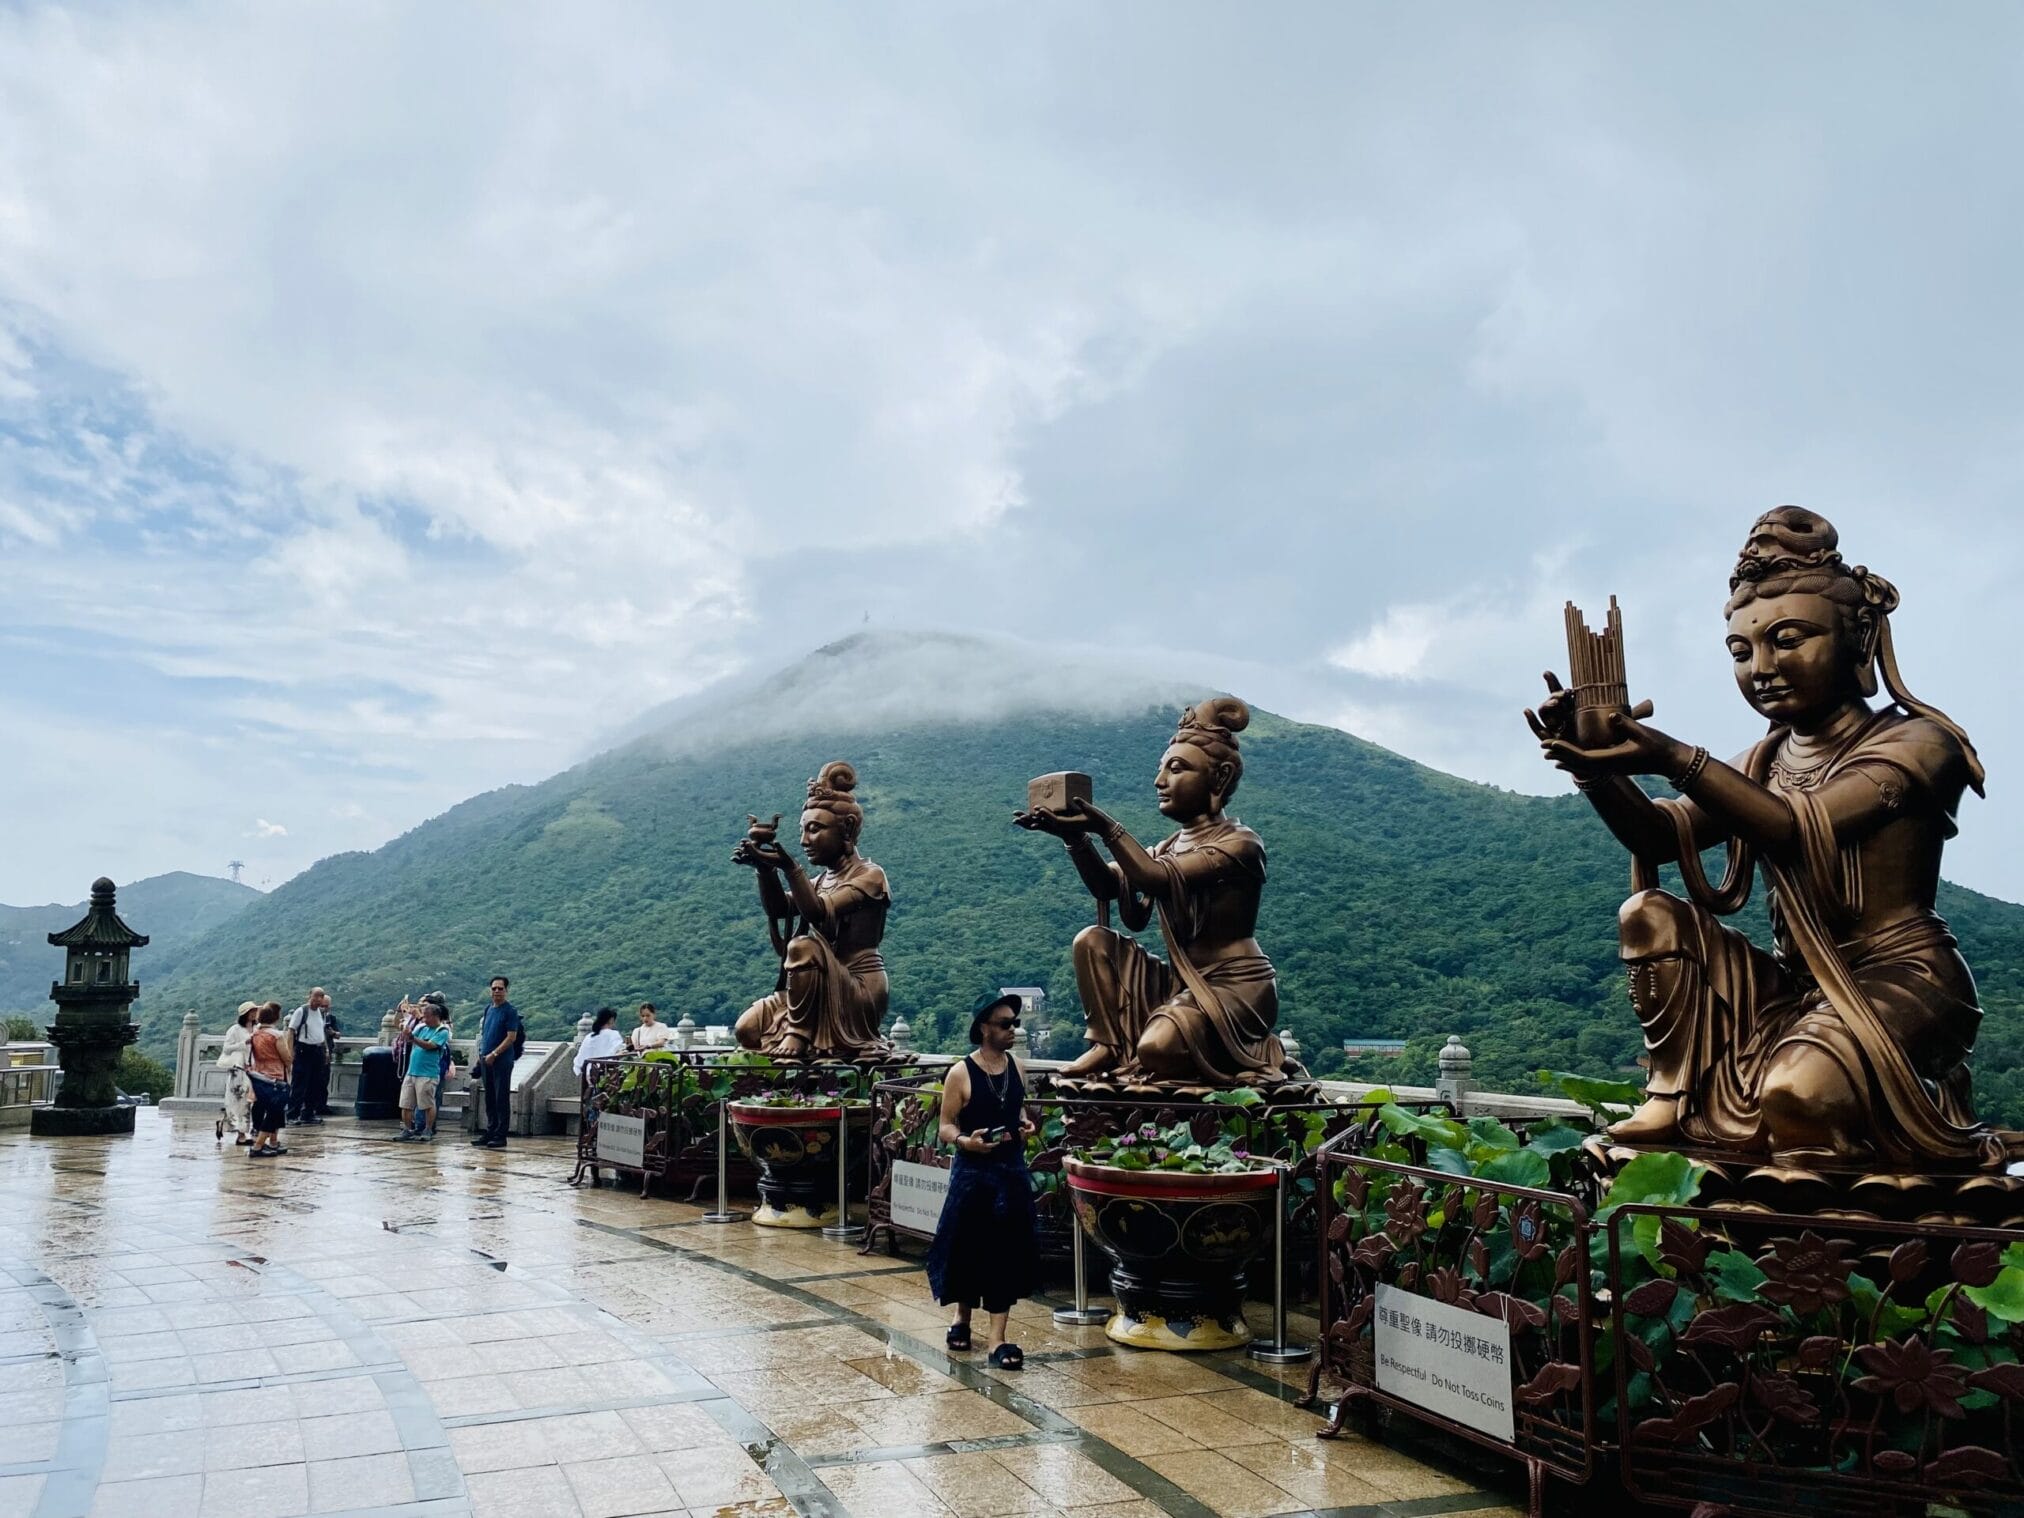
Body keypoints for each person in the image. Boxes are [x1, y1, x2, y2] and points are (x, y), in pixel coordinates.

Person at [1528, 508, 2011, 1167]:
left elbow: (1794, 825)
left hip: (1904, 981)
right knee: (1648, 914)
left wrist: (1675, 758)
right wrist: (1594, 768)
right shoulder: (1764, 759)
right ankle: (1672, 1092)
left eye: (1788, 639)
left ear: (1859, 634)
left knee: (1799, 1096)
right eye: (1741, 650)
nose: (1763, 667)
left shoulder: (1919, 744)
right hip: (1798, 989)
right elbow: (1659, 837)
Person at [1015, 698, 1290, 1083]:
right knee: (1091, 940)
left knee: (1157, 1049)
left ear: (1221, 777)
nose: (1159, 781)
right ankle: (1107, 1045)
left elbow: (1155, 878)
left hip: (1236, 987)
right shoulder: (1169, 845)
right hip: (1182, 982)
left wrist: (1107, 827)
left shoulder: (1240, 845)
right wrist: (1073, 837)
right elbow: (1108, 885)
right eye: (1160, 769)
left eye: (1176, 769)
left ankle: (1222, 1051)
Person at [731, 762, 893, 1058]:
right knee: (748, 1029)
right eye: (802, 831)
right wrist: (765, 870)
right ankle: (799, 1031)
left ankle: (799, 1033)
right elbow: (781, 909)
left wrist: (791, 868)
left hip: (858, 989)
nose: (805, 841)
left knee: (803, 946)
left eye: (815, 830)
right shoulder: (819, 881)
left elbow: (819, 912)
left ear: (846, 828)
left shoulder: (870, 876)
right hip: (813, 988)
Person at [925, 992, 1039, 1370]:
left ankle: (997, 1341)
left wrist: (1024, 1124)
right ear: (984, 1028)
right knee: (966, 1246)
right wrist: (964, 1142)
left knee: (1005, 1251)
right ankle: (962, 1317)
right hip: (973, 1173)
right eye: (1005, 1024)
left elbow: (1017, 1107)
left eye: (1014, 1024)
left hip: (1010, 1171)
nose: (1012, 1030)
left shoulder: (1017, 1068)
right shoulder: (961, 1072)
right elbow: (944, 1126)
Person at [472, 976, 524, 1150]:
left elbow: (511, 1037)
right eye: (494, 988)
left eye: (500, 988)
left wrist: (495, 1053)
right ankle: (490, 1130)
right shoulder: (488, 1009)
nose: (496, 991)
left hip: (501, 1060)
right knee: (489, 1098)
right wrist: (482, 1057)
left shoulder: (510, 1011)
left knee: (501, 1097)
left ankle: (501, 1134)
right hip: (486, 1060)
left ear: (506, 991)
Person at [397, 998, 452, 1143]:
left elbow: (430, 1045)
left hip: (428, 1073)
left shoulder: (442, 1031)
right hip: (412, 1071)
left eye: (427, 1017)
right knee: (406, 1103)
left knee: (427, 1103)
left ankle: (428, 1128)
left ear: (435, 1017)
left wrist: (412, 1038)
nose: (425, 1019)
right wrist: (405, 1031)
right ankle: (407, 1129)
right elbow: (408, 1038)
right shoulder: (421, 1028)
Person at [246, 1002, 293, 1159]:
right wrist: (290, 1069)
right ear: (276, 1018)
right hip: (276, 1076)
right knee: (274, 1111)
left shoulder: (255, 1034)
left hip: (258, 1075)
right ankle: (258, 1145)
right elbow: (286, 1057)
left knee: (262, 1107)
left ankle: (273, 1142)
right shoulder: (276, 1035)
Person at [286, 987, 334, 1123]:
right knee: (299, 1084)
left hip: (317, 1050)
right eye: (316, 996)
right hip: (303, 1050)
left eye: (321, 996)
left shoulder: (321, 1013)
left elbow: (321, 1032)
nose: (318, 999)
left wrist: (326, 1050)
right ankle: (292, 1115)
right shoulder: (302, 1011)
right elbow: (291, 1031)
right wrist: (290, 1051)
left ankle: (308, 1113)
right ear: (310, 996)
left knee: (315, 1083)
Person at [216, 1001, 258, 1146]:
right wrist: (243, 1044)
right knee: (238, 1101)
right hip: (238, 1068)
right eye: (251, 1011)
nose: (254, 1013)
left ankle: (240, 1130)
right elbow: (226, 1048)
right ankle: (240, 1134)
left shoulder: (257, 1028)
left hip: (252, 1068)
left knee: (248, 1102)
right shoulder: (234, 1029)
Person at [578, 1008, 626, 1076]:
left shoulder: (589, 1036)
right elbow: (615, 1054)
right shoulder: (614, 1035)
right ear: (611, 1020)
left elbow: (579, 1061)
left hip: (587, 1074)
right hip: (605, 1075)